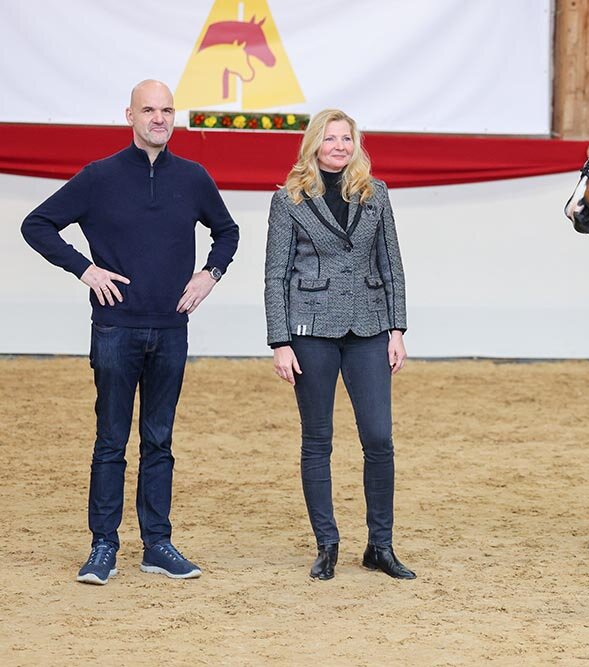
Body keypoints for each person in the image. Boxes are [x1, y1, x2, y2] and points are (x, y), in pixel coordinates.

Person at [21, 80, 239, 585]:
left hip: (171, 329)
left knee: (159, 441)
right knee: (111, 442)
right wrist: (84, 270)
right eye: (149, 110)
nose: (158, 118)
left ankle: (157, 544)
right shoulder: (99, 177)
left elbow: (227, 231)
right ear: (130, 116)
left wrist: (210, 274)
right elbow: (37, 224)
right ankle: (103, 546)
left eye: (166, 110)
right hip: (116, 329)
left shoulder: (193, 176)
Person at [264, 109, 413, 581]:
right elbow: (275, 275)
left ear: (356, 144)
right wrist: (279, 341)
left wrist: (397, 330)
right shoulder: (288, 199)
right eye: (330, 138)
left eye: (346, 138)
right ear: (314, 144)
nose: (339, 146)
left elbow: (392, 265)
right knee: (317, 441)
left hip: (369, 330)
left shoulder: (376, 194)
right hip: (310, 334)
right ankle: (327, 544)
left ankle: (380, 546)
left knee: (379, 439)